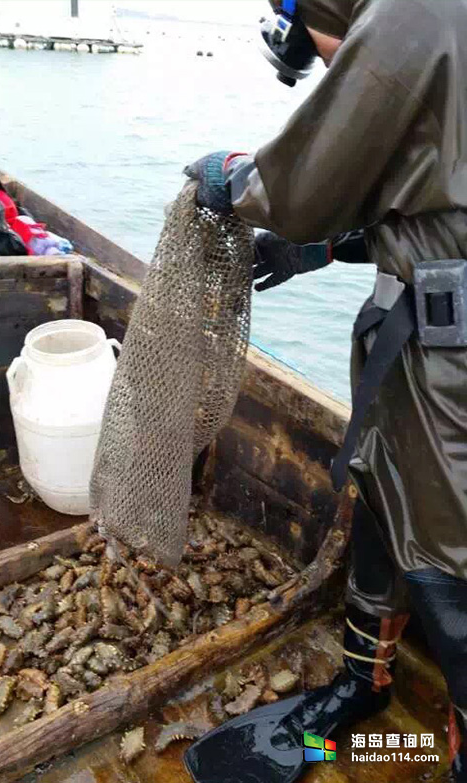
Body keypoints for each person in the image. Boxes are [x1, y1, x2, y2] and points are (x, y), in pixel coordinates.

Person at [183, 1, 467, 781]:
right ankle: (364, 681)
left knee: (454, 565)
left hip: (457, 372)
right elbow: (433, 196)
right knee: (383, 497)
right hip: (418, 355)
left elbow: (302, 182)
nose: (333, 58)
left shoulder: (418, 9)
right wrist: (321, 248)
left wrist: (236, 180)